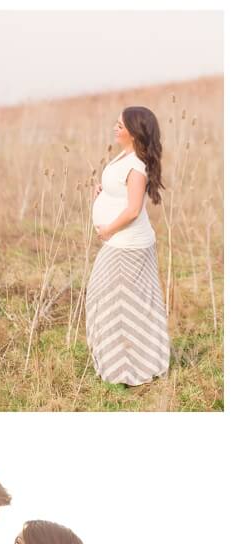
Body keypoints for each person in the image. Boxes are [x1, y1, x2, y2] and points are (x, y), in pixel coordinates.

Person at [87, 106, 170, 386]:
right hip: (121, 243)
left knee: (117, 302)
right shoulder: (126, 156)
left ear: (134, 133)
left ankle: (131, 367)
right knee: (111, 301)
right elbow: (119, 191)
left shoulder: (137, 166)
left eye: (120, 126)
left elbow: (133, 209)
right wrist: (100, 191)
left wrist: (108, 229)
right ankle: (122, 364)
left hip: (127, 246)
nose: (115, 128)